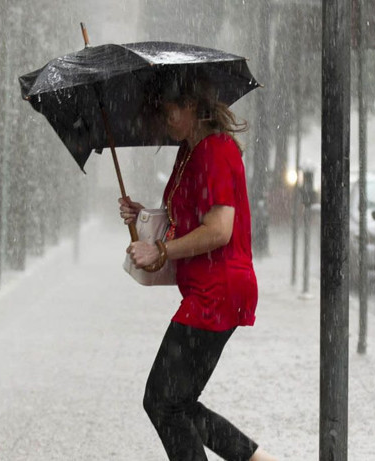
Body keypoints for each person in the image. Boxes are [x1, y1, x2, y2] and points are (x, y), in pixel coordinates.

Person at [119, 74, 277, 461]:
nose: (164, 120)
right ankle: (258, 460)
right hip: (207, 290)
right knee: (178, 401)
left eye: (169, 111)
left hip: (218, 291)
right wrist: (144, 216)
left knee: (161, 400)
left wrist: (161, 250)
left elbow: (219, 230)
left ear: (191, 107)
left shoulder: (216, 151)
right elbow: (187, 215)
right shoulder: (189, 151)